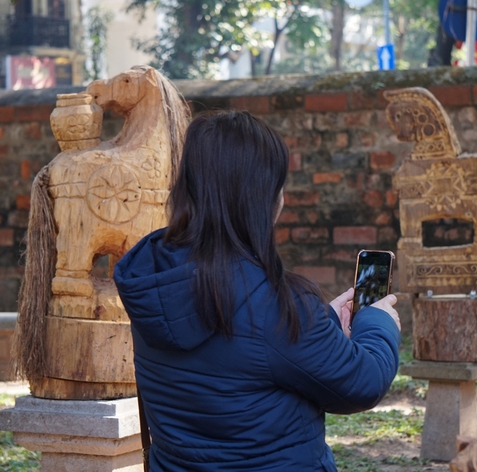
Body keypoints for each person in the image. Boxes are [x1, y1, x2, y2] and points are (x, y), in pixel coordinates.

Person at [114, 110, 401, 471]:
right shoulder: (277, 308)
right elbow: (363, 381)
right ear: (262, 198)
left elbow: (239, 355)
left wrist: (321, 321)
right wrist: (377, 322)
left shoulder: (154, 276)